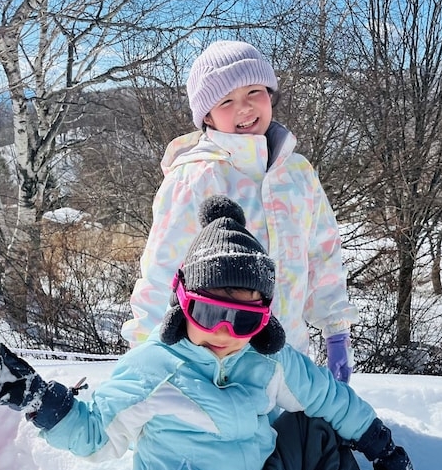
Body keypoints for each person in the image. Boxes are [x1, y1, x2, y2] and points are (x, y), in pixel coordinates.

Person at [0, 196, 423, 470]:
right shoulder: (155, 370)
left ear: (265, 320)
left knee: (313, 427)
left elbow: (328, 396)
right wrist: (42, 402)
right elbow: (95, 433)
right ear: (182, 302)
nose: (227, 333)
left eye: (245, 320)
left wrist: (382, 447)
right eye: (211, 313)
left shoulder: (268, 359)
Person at [121, 40, 359, 382]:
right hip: (216, 368)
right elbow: (161, 273)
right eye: (226, 101)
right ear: (207, 115)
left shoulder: (298, 174)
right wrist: (143, 360)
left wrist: (336, 329)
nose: (244, 108)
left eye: (253, 92)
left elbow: (323, 254)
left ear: (270, 93)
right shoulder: (196, 177)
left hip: (289, 361)